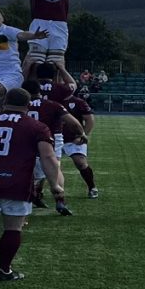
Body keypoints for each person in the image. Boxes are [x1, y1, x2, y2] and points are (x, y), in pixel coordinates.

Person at [0, 88, 66, 282]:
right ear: (28, 105)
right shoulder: (37, 127)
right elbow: (48, 157)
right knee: (13, 228)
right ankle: (4, 270)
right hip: (18, 183)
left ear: (4, 102)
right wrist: (55, 185)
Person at [22, 80, 85, 210]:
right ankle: (59, 199)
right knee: (54, 168)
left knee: (29, 169)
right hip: (51, 139)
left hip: (26, 139)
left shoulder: (20, 106)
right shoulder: (53, 105)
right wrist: (82, 133)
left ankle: (34, 194)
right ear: (39, 90)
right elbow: (73, 122)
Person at [61, 93, 98, 199]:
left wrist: (82, 135)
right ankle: (38, 191)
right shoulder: (51, 100)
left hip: (73, 139)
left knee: (81, 163)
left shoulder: (78, 102)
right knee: (44, 164)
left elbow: (89, 119)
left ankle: (92, 187)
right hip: (53, 137)